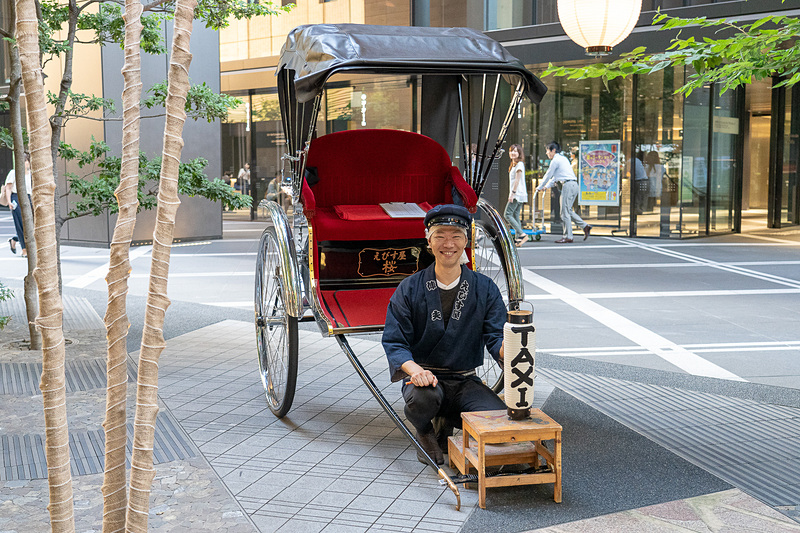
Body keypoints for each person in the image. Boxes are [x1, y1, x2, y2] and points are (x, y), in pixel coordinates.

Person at [382, 204, 506, 465]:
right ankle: (425, 429)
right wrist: (415, 371)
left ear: (466, 241)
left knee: (498, 420)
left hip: (465, 381)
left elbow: (496, 336)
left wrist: (512, 350)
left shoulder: (484, 288)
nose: (448, 243)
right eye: (440, 235)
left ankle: (447, 420)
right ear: (428, 240)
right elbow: (395, 341)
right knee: (423, 399)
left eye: (456, 236)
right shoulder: (410, 288)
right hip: (425, 381)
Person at [536, 141, 591, 243]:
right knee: (568, 210)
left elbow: (548, 174)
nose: (547, 153)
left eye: (548, 151)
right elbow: (555, 177)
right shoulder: (563, 159)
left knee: (564, 213)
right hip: (573, 185)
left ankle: (568, 236)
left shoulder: (555, 161)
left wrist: (540, 186)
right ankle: (585, 226)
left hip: (568, 185)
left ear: (553, 150)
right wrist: (546, 186)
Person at [3, 153, 32, 257]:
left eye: (26, 161)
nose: (25, 164)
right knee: (21, 225)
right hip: (17, 198)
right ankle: (24, 249)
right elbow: (8, 188)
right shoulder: (14, 172)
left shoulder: (31, 174)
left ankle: (14, 239)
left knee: (30, 225)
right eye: (23, 161)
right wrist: (9, 201)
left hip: (29, 198)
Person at [504, 144, 529, 246]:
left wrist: (512, 194)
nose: (512, 153)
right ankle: (518, 238)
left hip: (517, 194)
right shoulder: (514, 164)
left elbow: (517, 181)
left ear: (519, 153)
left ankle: (522, 234)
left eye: (515, 151)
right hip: (520, 194)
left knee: (507, 214)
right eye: (511, 151)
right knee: (515, 215)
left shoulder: (519, 165)